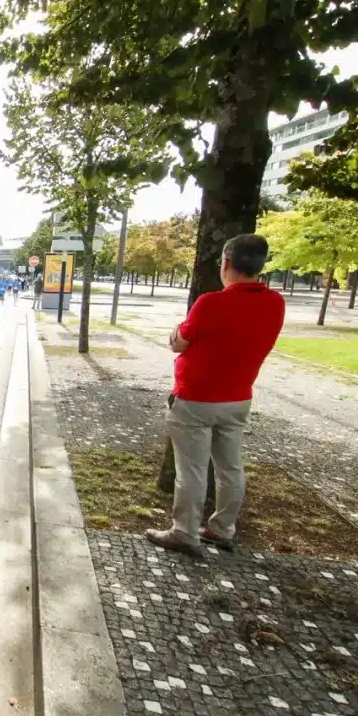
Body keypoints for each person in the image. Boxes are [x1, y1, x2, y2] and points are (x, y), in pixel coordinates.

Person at [145, 234, 285, 558]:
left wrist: (178, 332)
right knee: (231, 468)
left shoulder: (210, 303)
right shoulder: (275, 303)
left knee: (192, 470)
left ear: (226, 263)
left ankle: (184, 532)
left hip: (195, 400)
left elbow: (179, 341)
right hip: (238, 399)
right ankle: (222, 529)